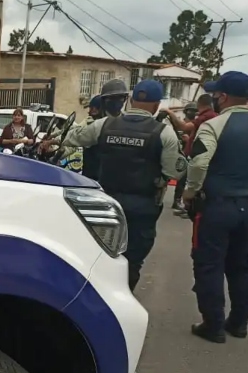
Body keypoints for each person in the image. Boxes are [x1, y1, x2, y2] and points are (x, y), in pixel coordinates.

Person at [42, 79, 184, 291]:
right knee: (132, 259)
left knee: (99, 252)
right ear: (156, 105)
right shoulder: (164, 133)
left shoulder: (103, 126)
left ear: (132, 100)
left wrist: (54, 141)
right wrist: (159, 179)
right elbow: (175, 171)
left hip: (106, 202)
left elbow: (72, 138)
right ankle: (124, 297)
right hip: (142, 205)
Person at [182, 71, 248, 343]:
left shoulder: (214, 125)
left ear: (223, 96)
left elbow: (200, 162)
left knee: (209, 264)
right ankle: (239, 322)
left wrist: (190, 193)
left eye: (215, 94)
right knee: (242, 264)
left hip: (217, 206)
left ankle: (213, 324)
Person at [163, 96, 217, 216]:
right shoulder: (205, 116)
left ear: (199, 104)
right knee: (184, 179)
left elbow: (184, 127)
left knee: (191, 180)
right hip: (193, 153)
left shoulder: (207, 116)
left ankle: (191, 206)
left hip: (198, 156)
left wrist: (170, 113)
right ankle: (186, 205)